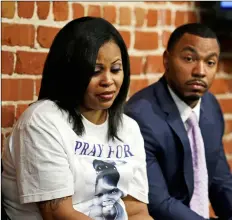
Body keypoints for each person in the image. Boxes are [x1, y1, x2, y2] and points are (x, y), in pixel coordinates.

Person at [1, 17, 153, 220]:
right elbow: (59, 215)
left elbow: (136, 211)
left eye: (116, 69)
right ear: (71, 72)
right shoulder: (42, 122)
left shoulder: (129, 128)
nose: (108, 81)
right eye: (95, 71)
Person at [125, 23, 232, 220]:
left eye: (210, 62)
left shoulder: (210, 106)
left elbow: (220, 181)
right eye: (189, 59)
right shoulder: (140, 116)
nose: (200, 71)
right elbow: (158, 203)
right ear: (166, 60)